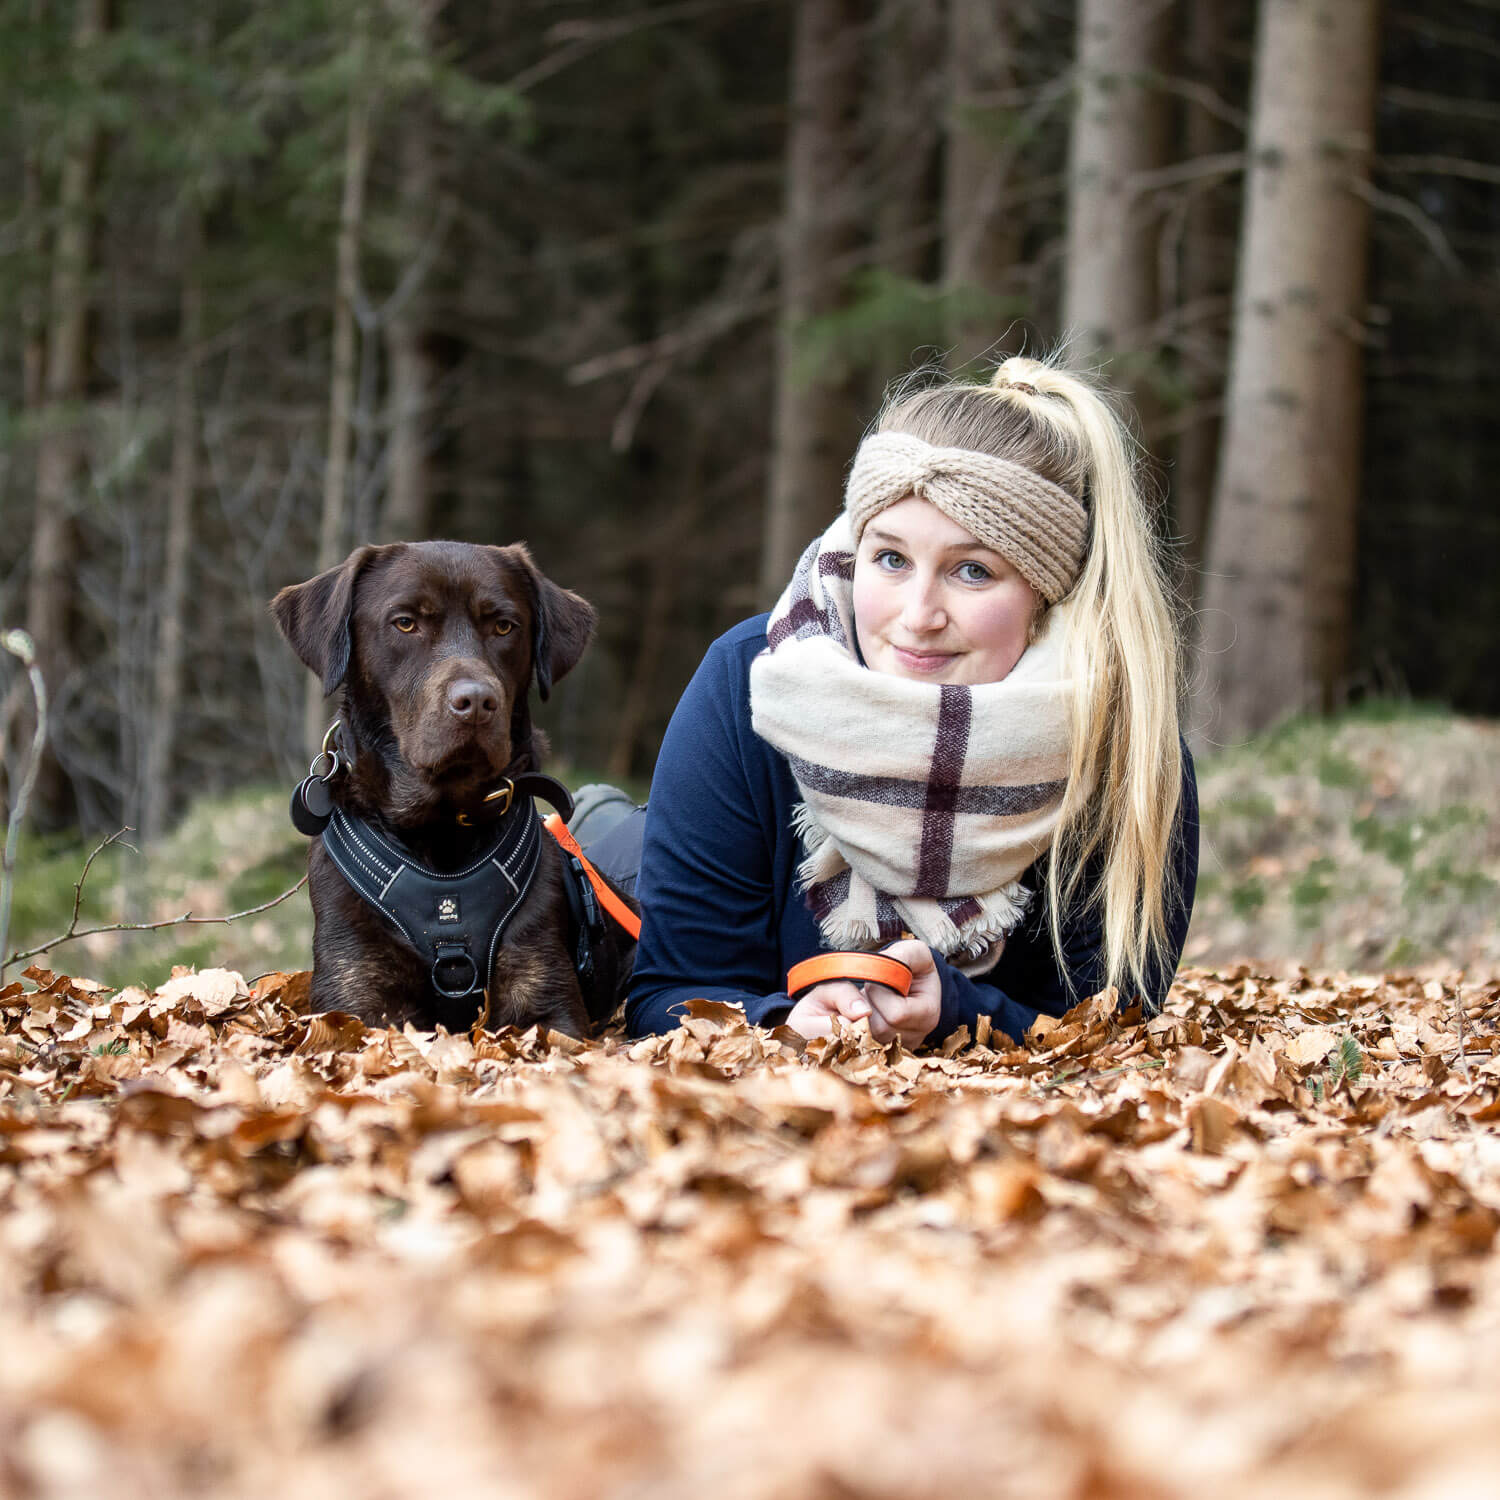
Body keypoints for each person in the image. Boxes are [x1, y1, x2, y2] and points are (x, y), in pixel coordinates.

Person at [614, 353, 1198, 1049]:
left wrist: (957, 1009)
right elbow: (669, 992)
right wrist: (777, 1020)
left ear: (1047, 596)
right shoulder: (751, 683)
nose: (918, 614)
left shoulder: (1124, 748)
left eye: (972, 571)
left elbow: (1112, 1037)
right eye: (890, 559)